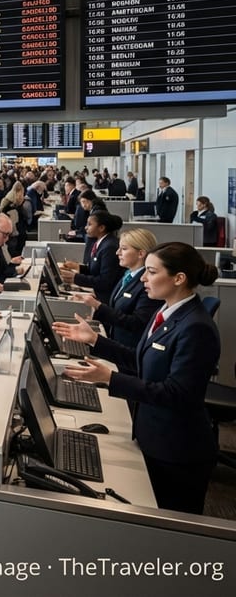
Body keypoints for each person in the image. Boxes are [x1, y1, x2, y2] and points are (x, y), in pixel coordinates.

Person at [54, 242, 220, 514]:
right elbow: (141, 360)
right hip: (152, 433)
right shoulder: (166, 311)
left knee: (171, 535)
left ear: (179, 279)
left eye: (152, 272)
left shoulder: (197, 328)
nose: (143, 278)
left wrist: (111, 379)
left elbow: (177, 394)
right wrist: (95, 340)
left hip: (177, 448)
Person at [69, 228, 162, 349]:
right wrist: (94, 304)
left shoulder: (147, 283)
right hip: (116, 342)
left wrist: (99, 306)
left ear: (141, 254)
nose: (117, 252)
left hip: (129, 349)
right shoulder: (128, 274)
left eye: (124, 249)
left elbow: (136, 323)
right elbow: (118, 306)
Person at [59, 211, 123, 301]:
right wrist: (78, 267)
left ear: (101, 228)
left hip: (104, 298)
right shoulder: (101, 242)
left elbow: (105, 281)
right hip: (97, 292)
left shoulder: (109, 247)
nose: (86, 227)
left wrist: (75, 278)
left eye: (89, 225)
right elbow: (96, 270)